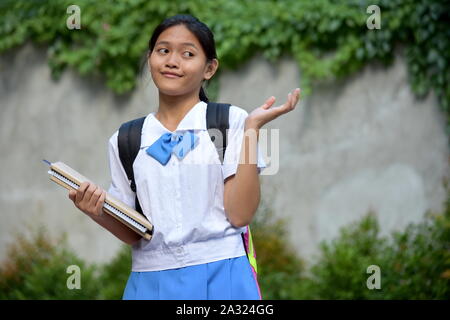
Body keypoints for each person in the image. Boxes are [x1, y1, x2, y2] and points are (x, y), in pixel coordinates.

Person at [68, 14, 300, 300]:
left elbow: (240, 215)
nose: (172, 61)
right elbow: (134, 233)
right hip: (149, 282)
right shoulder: (126, 139)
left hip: (222, 276)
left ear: (209, 68)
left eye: (188, 54)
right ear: (150, 57)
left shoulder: (229, 121)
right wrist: (97, 211)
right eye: (163, 50)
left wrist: (252, 129)